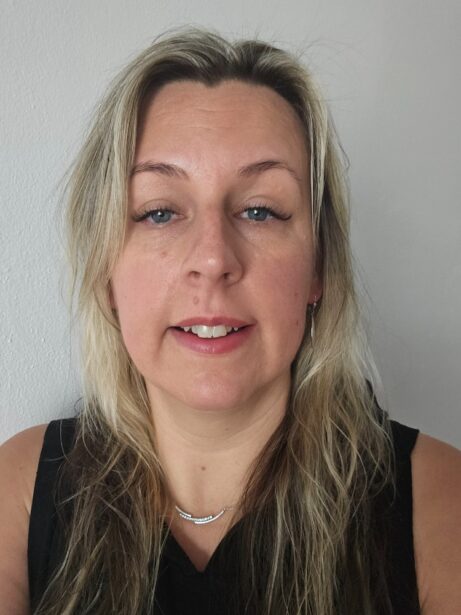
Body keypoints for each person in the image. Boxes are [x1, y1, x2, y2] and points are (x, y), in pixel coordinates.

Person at [0, 25, 460, 615]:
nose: (214, 259)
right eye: (160, 212)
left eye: (261, 211)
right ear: (105, 269)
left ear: (319, 266)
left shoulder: (438, 500)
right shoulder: (21, 489)